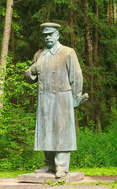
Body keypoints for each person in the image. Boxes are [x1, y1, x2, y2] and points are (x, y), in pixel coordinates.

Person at [25, 22, 83, 178]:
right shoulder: (39, 54)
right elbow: (29, 78)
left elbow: (76, 77)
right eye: (45, 35)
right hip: (44, 98)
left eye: (50, 34)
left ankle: (61, 166)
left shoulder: (67, 52)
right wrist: (31, 70)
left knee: (62, 132)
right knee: (45, 131)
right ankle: (49, 164)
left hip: (62, 98)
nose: (48, 37)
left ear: (57, 35)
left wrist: (75, 98)